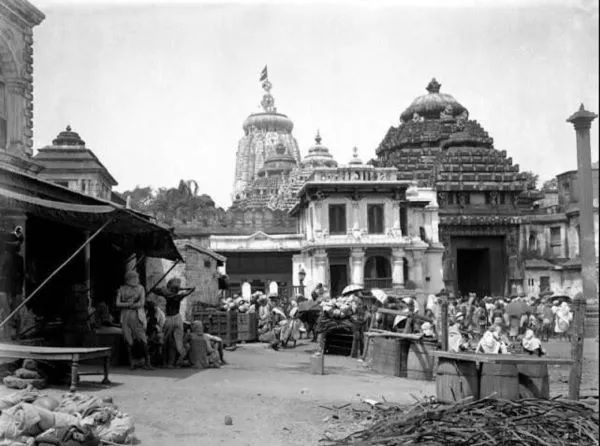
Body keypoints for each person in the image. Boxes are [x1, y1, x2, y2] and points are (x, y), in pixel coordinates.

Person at [153, 278, 196, 368]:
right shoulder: (178, 296)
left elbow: (155, 290)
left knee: (166, 341)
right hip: (177, 318)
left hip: (169, 319)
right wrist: (184, 289)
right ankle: (177, 360)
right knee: (177, 342)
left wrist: (168, 288)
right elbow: (192, 290)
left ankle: (166, 362)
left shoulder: (167, 294)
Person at [116, 271, 152, 370]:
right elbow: (117, 303)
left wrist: (130, 304)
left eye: (137, 277)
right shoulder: (122, 289)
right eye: (134, 278)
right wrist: (129, 304)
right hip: (125, 316)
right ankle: (132, 362)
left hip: (136, 315)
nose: (137, 279)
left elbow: (141, 303)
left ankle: (147, 362)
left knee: (143, 339)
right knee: (128, 340)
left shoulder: (140, 288)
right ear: (129, 279)